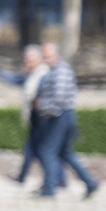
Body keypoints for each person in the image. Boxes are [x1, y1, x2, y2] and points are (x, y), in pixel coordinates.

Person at [30, 41, 100, 199]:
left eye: (47, 55)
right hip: (61, 115)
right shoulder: (53, 70)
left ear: (56, 54)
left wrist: (42, 106)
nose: (45, 58)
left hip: (60, 115)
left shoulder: (61, 70)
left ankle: (49, 188)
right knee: (66, 153)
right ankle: (90, 182)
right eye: (44, 55)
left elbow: (59, 99)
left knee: (46, 151)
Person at [0, 44, 48, 183]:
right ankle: (24, 177)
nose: (27, 62)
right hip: (35, 117)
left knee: (45, 151)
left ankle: (54, 180)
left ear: (39, 59)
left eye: (30, 59)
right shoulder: (32, 74)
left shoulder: (44, 74)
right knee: (32, 148)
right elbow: (17, 79)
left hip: (43, 118)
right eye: (26, 59)